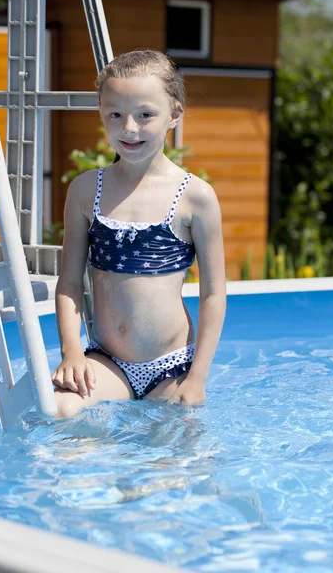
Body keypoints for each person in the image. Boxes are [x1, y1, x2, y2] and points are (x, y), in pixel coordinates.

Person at [52, 50, 226, 420]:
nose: (129, 128)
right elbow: (69, 281)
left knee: (170, 462)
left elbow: (213, 293)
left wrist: (197, 377)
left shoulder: (195, 197)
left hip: (171, 369)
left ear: (173, 114)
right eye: (115, 114)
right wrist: (71, 352)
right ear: (101, 113)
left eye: (145, 115)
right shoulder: (86, 191)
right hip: (105, 360)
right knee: (62, 410)